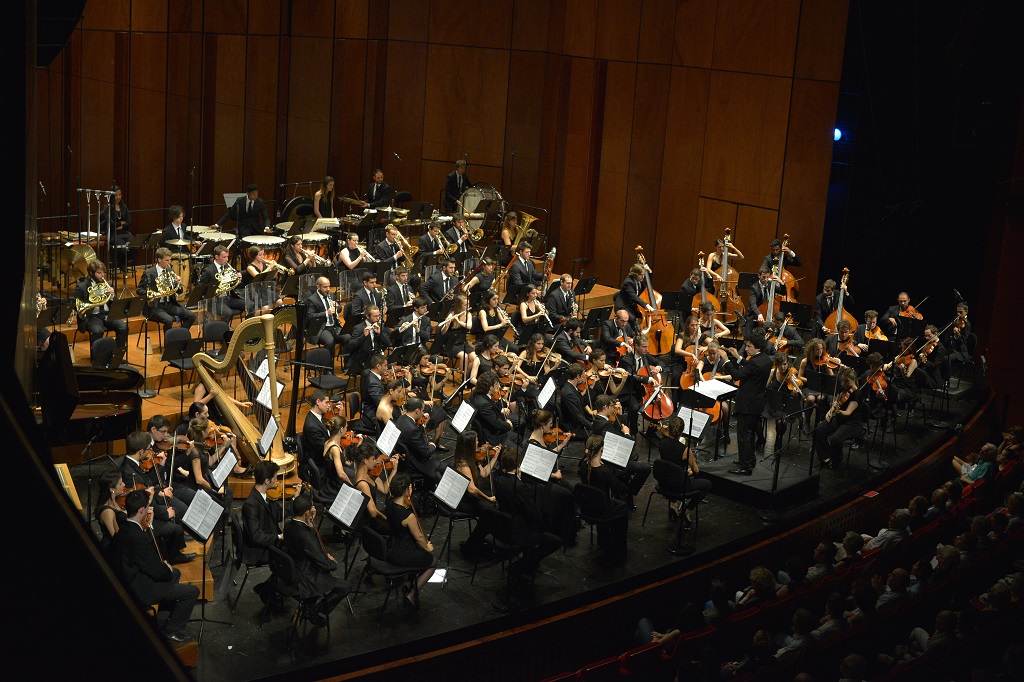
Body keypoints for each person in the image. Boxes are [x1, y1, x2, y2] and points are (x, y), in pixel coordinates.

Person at [113, 489, 199, 643]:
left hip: (131, 579)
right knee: (192, 592)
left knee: (176, 573)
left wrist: (165, 568)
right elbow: (156, 571)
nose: (149, 509)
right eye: (147, 507)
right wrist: (166, 567)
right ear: (141, 510)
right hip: (140, 589)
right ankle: (172, 630)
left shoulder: (125, 528)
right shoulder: (137, 537)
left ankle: (161, 622)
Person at [119, 430, 193, 563]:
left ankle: (170, 548)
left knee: (178, 509)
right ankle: (173, 556)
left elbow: (149, 485)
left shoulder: (136, 464)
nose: (150, 452)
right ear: (140, 451)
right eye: (148, 449)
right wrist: (165, 513)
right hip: (142, 513)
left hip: (150, 503)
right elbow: (142, 501)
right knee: (175, 526)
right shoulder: (130, 473)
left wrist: (159, 489)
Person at [492, 448, 562, 579]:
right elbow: (534, 513)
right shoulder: (519, 487)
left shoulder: (499, 480)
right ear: (518, 464)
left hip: (502, 527)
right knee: (555, 541)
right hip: (517, 533)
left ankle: (529, 564)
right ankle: (519, 566)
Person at [282, 494, 351, 626]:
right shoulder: (306, 536)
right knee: (345, 587)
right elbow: (324, 562)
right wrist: (331, 562)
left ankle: (308, 608)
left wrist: (309, 522)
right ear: (307, 512)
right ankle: (312, 611)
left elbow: (307, 544)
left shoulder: (288, 525)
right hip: (306, 578)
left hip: (293, 569)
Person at [717, 335, 772, 475]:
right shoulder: (765, 359)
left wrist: (726, 359)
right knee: (750, 434)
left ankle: (745, 466)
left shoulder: (755, 362)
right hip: (757, 403)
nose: (746, 349)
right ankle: (749, 460)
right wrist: (737, 356)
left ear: (757, 347)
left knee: (743, 435)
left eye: (749, 347)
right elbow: (750, 368)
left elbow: (736, 375)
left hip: (748, 404)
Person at [385, 473, 437, 609]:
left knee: (419, 555)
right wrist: (428, 548)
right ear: (408, 489)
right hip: (401, 554)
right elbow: (419, 537)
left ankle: (408, 584)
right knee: (432, 561)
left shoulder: (389, 505)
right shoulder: (408, 516)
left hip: (390, 548)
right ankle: (412, 593)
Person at [578, 435, 629, 555]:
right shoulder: (604, 472)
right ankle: (619, 546)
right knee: (623, 507)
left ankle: (603, 538)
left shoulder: (584, 466)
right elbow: (621, 489)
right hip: (601, 510)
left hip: (587, 507)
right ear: (601, 449)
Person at [656, 415, 711, 525]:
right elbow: (696, 471)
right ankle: (687, 511)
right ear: (681, 432)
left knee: (672, 473)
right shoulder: (685, 450)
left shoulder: (661, 443)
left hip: (663, 483)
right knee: (707, 484)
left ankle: (673, 505)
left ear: (669, 429)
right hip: (679, 487)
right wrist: (689, 472)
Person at [241, 460, 284, 603]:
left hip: (267, 539)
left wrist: (295, 497)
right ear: (267, 481)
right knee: (291, 557)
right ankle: (270, 587)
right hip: (258, 550)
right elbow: (256, 536)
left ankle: (270, 586)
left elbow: (277, 516)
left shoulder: (265, 496)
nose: (276, 480)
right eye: (275, 477)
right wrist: (279, 536)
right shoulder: (251, 504)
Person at [814, 368, 868, 469]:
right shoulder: (843, 389)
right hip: (840, 418)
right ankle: (826, 456)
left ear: (854, 379)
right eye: (843, 380)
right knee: (819, 429)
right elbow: (836, 403)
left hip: (852, 423)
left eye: (847, 381)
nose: (844, 383)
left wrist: (838, 411)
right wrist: (830, 411)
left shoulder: (857, 394)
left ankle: (837, 459)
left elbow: (847, 412)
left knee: (835, 439)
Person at [137, 247, 196, 331]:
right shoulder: (149, 273)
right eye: (167, 260)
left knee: (191, 316)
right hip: (155, 306)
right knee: (168, 320)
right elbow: (139, 290)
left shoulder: (170, 270)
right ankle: (168, 343)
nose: (169, 263)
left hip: (169, 304)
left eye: (170, 260)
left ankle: (179, 335)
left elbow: (180, 291)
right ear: (159, 260)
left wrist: (178, 283)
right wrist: (153, 294)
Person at [75, 259, 128, 351]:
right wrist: (94, 297)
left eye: (103, 272)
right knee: (98, 331)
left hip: (107, 314)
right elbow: (75, 305)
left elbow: (116, 303)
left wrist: (112, 296)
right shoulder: (82, 286)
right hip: (92, 316)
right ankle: (98, 358)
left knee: (123, 327)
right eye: (99, 273)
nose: (102, 275)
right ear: (91, 273)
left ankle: (116, 353)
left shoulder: (107, 284)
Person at [618, 333, 665, 434]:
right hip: (630, 392)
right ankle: (633, 432)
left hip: (644, 390)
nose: (647, 349)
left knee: (658, 405)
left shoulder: (646, 356)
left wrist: (658, 368)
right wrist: (648, 379)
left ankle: (652, 431)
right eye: (644, 347)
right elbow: (632, 375)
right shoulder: (626, 360)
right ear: (636, 346)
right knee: (634, 408)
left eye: (647, 346)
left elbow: (660, 362)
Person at [183, 417, 235, 505]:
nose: (210, 430)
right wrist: (214, 490)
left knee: (228, 491)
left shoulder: (202, 444)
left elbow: (210, 461)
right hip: (197, 487)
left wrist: (223, 446)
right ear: (203, 432)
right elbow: (199, 480)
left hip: (205, 481)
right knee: (226, 494)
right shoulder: (195, 451)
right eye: (208, 428)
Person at [396, 397, 446, 485]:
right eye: (422, 410)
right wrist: (433, 445)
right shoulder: (412, 430)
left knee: (436, 458)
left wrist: (423, 425)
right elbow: (425, 452)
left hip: (406, 457)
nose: (423, 412)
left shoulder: (401, 418)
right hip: (416, 463)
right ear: (417, 411)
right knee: (445, 468)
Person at [351, 441, 396, 537]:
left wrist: (393, 471)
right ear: (365, 461)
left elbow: (384, 489)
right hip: (370, 523)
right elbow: (373, 512)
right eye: (373, 459)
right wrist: (390, 521)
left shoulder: (369, 474)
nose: (376, 462)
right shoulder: (362, 483)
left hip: (375, 517)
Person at [198, 245, 246, 317]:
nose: (227, 259)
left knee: (250, 305)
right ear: (217, 257)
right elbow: (201, 288)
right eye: (224, 257)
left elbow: (235, 286)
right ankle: (224, 328)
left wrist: (238, 280)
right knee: (227, 313)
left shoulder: (228, 267)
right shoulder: (208, 270)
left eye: (227, 257)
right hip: (216, 300)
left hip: (229, 297)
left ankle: (246, 327)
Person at [344, 306, 390, 375]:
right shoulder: (358, 328)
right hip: (364, 360)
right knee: (368, 373)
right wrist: (363, 336)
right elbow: (351, 346)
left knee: (391, 368)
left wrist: (380, 334)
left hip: (376, 357)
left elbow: (388, 343)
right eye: (375, 316)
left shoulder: (380, 326)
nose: (378, 318)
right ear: (367, 316)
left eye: (379, 316)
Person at [305, 276, 344, 358]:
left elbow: (339, 309)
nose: (328, 289)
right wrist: (326, 313)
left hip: (333, 326)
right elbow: (310, 316)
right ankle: (328, 369)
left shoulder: (331, 296)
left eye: (329, 286)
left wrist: (338, 307)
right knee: (330, 342)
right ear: (318, 287)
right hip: (321, 328)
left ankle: (347, 367)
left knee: (348, 337)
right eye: (325, 287)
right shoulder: (312, 300)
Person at [471, 372, 513, 447]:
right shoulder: (484, 404)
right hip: (492, 436)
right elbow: (497, 424)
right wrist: (509, 425)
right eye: (496, 384)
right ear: (490, 388)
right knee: (517, 440)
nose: (497, 387)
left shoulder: (475, 392)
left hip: (488, 424)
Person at [240, 246, 285, 314]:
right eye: (260, 255)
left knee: (280, 302)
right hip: (255, 291)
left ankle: (273, 320)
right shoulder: (250, 267)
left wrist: (275, 269)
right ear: (254, 256)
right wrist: (269, 267)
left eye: (263, 254)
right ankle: (254, 319)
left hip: (264, 289)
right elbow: (259, 276)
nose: (263, 256)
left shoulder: (264, 264)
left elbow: (274, 277)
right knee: (265, 308)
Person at [301, 389, 333, 473]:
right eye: (327, 402)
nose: (329, 405)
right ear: (318, 402)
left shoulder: (318, 416)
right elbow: (325, 450)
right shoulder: (312, 426)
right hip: (322, 465)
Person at [95, 470, 127, 551]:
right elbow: (116, 537)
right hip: (112, 550)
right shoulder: (107, 512)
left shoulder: (116, 501)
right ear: (112, 489)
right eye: (120, 483)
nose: (124, 485)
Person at [614, 263, 652, 328]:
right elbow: (634, 297)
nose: (643, 277)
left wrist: (649, 272)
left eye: (644, 275)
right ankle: (634, 334)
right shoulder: (628, 282)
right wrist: (646, 305)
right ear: (635, 274)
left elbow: (647, 284)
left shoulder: (639, 280)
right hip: (623, 306)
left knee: (644, 315)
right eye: (641, 275)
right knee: (632, 318)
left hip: (631, 305)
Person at [560, 365, 594, 437]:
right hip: (574, 428)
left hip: (579, 421)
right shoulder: (569, 393)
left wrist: (590, 387)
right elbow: (578, 416)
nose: (584, 377)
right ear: (578, 376)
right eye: (583, 375)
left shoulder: (572, 387)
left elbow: (582, 402)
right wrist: (591, 426)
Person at [916, 324, 947, 389]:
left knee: (917, 372)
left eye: (929, 336)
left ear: (935, 334)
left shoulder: (940, 348)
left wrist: (925, 361)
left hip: (932, 378)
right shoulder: (927, 343)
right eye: (926, 336)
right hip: (924, 371)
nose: (927, 338)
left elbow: (935, 366)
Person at [745, 266, 774, 338]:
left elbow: (782, 291)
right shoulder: (754, 288)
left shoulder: (771, 284)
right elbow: (753, 304)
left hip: (766, 314)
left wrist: (781, 282)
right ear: (759, 275)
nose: (766, 279)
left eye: (767, 277)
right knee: (749, 337)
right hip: (754, 315)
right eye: (763, 277)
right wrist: (759, 314)